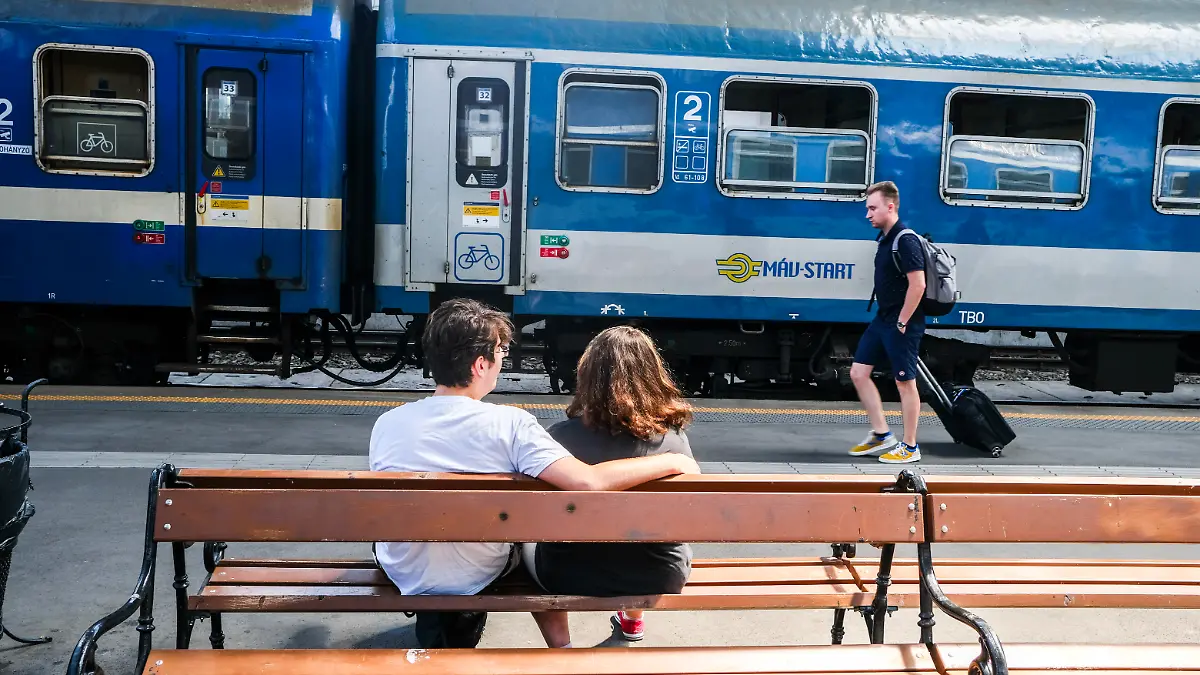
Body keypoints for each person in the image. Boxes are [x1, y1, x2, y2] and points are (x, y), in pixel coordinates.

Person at [368, 298, 700, 650]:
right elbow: (587, 482)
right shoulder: (511, 424)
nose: (503, 361)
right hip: (480, 571)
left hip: (404, 570)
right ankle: (566, 647)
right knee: (522, 537)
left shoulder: (387, 423)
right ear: (481, 364)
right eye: (501, 352)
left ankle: (559, 647)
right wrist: (672, 462)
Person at [520, 325, 696, 642]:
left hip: (566, 575)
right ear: (652, 375)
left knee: (522, 546)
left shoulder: (558, 438)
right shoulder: (674, 443)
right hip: (659, 575)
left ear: (586, 375)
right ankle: (632, 621)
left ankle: (564, 647)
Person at [848, 180, 926, 464]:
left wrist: (903, 321)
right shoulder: (886, 238)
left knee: (905, 383)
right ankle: (882, 435)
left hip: (902, 320)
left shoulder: (905, 239)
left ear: (890, 207)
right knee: (858, 372)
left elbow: (918, 284)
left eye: (872, 208)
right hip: (883, 318)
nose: (867, 214)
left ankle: (910, 447)